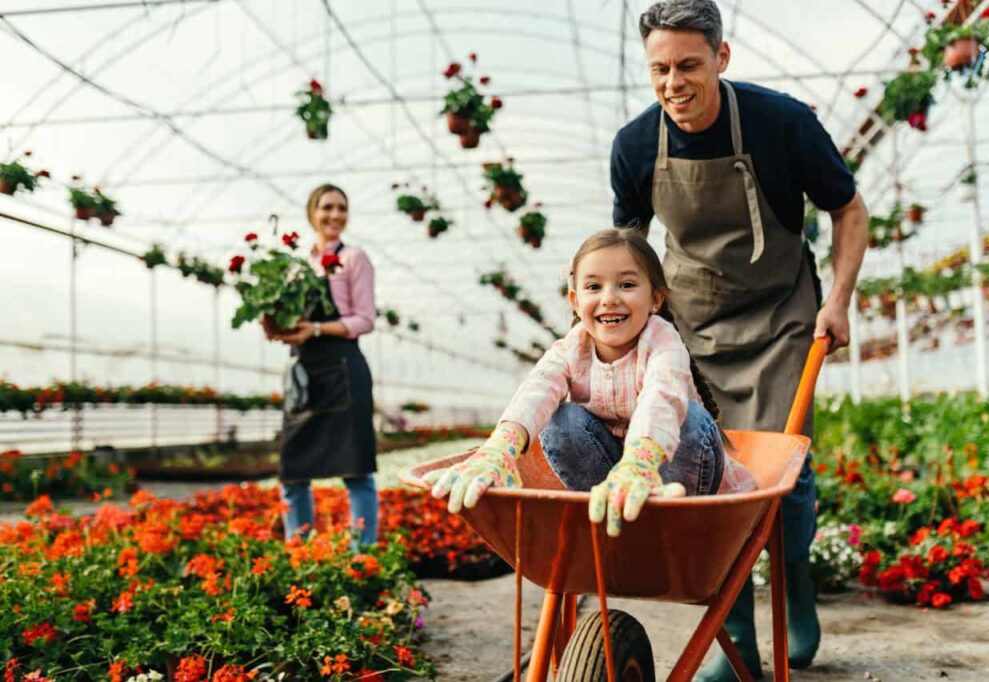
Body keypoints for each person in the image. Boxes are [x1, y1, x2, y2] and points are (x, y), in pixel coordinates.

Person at [611, 2, 869, 679]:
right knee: (704, 478)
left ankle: (794, 587)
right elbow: (630, 246)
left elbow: (848, 209)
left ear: (721, 58)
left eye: (689, 65)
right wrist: (621, 324)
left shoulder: (781, 123)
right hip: (692, 327)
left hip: (782, 316)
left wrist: (837, 302)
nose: (674, 84)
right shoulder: (636, 147)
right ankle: (735, 643)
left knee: (782, 473)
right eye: (660, 69)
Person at [427, 229, 757, 538]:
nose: (609, 298)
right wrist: (499, 450)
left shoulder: (662, 341)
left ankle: (664, 513)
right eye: (593, 287)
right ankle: (612, 514)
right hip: (612, 481)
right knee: (561, 420)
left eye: (626, 285)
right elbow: (536, 391)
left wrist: (638, 464)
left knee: (690, 419)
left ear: (656, 299)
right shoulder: (572, 348)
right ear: (574, 300)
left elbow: (663, 396)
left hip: (682, 478)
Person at [267, 184, 379, 547]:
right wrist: (278, 328)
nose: (335, 215)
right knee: (292, 471)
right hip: (305, 376)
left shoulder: (354, 258)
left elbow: (365, 319)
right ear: (312, 212)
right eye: (327, 207)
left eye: (342, 208)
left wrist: (314, 328)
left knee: (356, 471)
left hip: (344, 371)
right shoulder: (297, 266)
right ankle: (299, 553)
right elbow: (288, 317)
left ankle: (362, 558)